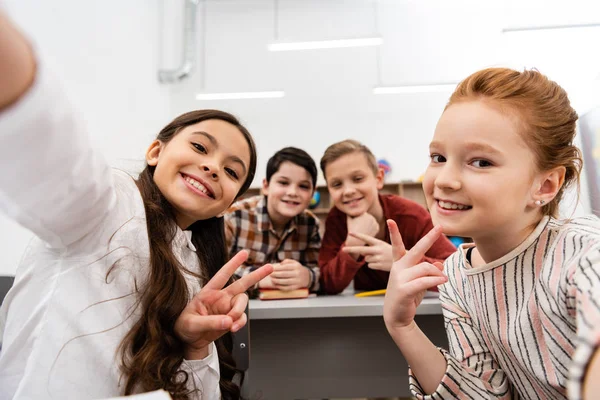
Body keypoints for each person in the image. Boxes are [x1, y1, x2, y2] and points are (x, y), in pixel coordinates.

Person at [0, 11, 272, 400]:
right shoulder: (107, 205)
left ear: (228, 202)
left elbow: (201, 394)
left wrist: (194, 345)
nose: (212, 167)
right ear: (155, 151)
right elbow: (48, 149)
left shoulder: (196, 264)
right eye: (199, 147)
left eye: (231, 171)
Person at [383, 67, 600, 399]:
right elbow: (488, 393)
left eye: (481, 162)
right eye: (438, 157)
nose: (444, 180)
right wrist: (402, 327)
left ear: (544, 185)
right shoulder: (457, 274)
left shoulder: (582, 250)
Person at [318, 139, 456, 294]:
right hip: (366, 312)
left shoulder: (410, 215)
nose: (348, 190)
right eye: (337, 184)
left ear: (379, 179)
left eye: (358, 179)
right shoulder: (336, 220)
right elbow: (326, 283)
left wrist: (402, 262)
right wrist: (352, 245)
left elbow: (456, 272)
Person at [225, 147, 321, 294]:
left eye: (303, 186)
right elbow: (211, 270)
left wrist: (308, 276)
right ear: (266, 186)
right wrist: (256, 278)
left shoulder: (310, 224)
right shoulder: (235, 216)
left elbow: (320, 272)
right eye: (283, 183)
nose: (292, 192)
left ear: (312, 194)